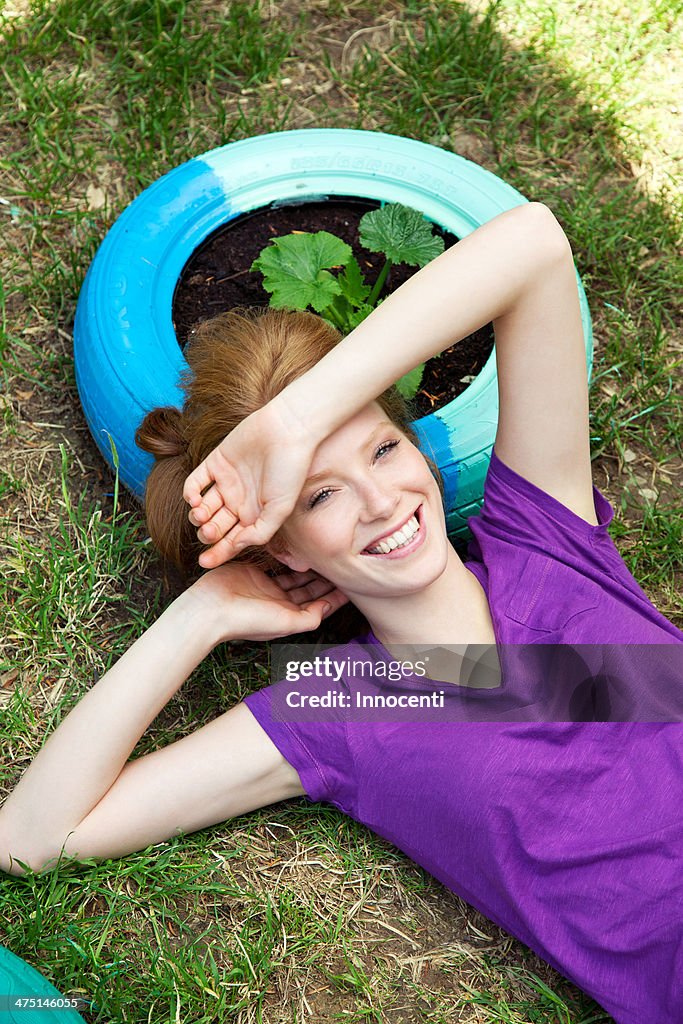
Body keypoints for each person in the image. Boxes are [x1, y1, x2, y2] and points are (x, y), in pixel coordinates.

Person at [0, 203, 681, 1023]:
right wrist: (202, 615)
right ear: (281, 548)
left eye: (383, 448)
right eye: (318, 494)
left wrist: (298, 421)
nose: (379, 500)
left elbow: (533, 245)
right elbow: (32, 839)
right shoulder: (339, 710)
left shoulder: (545, 537)